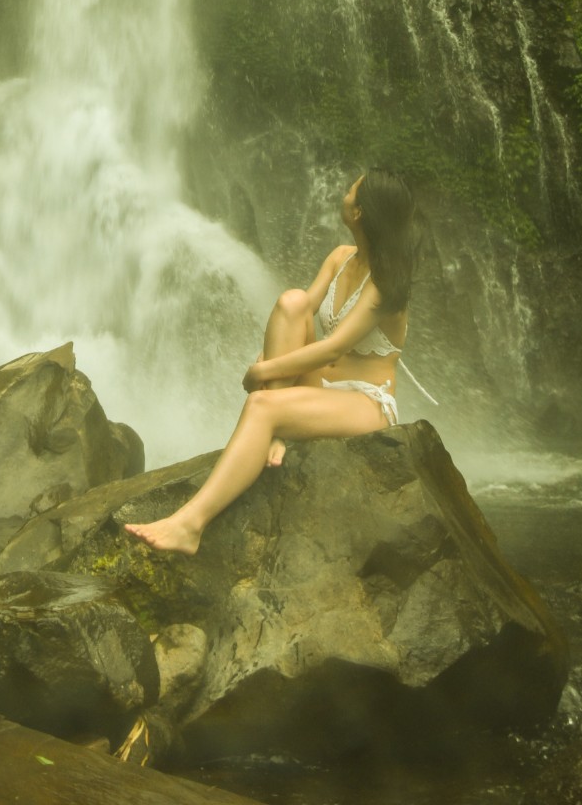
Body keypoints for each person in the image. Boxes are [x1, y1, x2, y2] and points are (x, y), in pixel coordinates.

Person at [125, 168, 432, 556]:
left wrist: (265, 369)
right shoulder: (340, 258)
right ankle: (276, 434)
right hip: (319, 387)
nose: (346, 190)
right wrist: (274, 356)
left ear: (360, 214)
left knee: (261, 403)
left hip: (365, 401)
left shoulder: (385, 282)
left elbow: (333, 347)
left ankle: (190, 525)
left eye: (353, 189)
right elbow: (300, 312)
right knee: (291, 301)